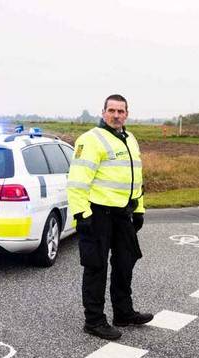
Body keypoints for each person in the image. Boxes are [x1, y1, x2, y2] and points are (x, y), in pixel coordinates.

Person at [67, 94, 153, 340]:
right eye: (112, 110)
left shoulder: (130, 138)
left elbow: (136, 179)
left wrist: (139, 209)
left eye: (121, 111)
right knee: (96, 267)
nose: (116, 115)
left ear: (127, 113)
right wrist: (82, 215)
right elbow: (77, 182)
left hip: (123, 213)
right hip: (97, 214)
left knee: (125, 264)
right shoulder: (91, 140)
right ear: (103, 112)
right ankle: (94, 321)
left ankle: (123, 313)